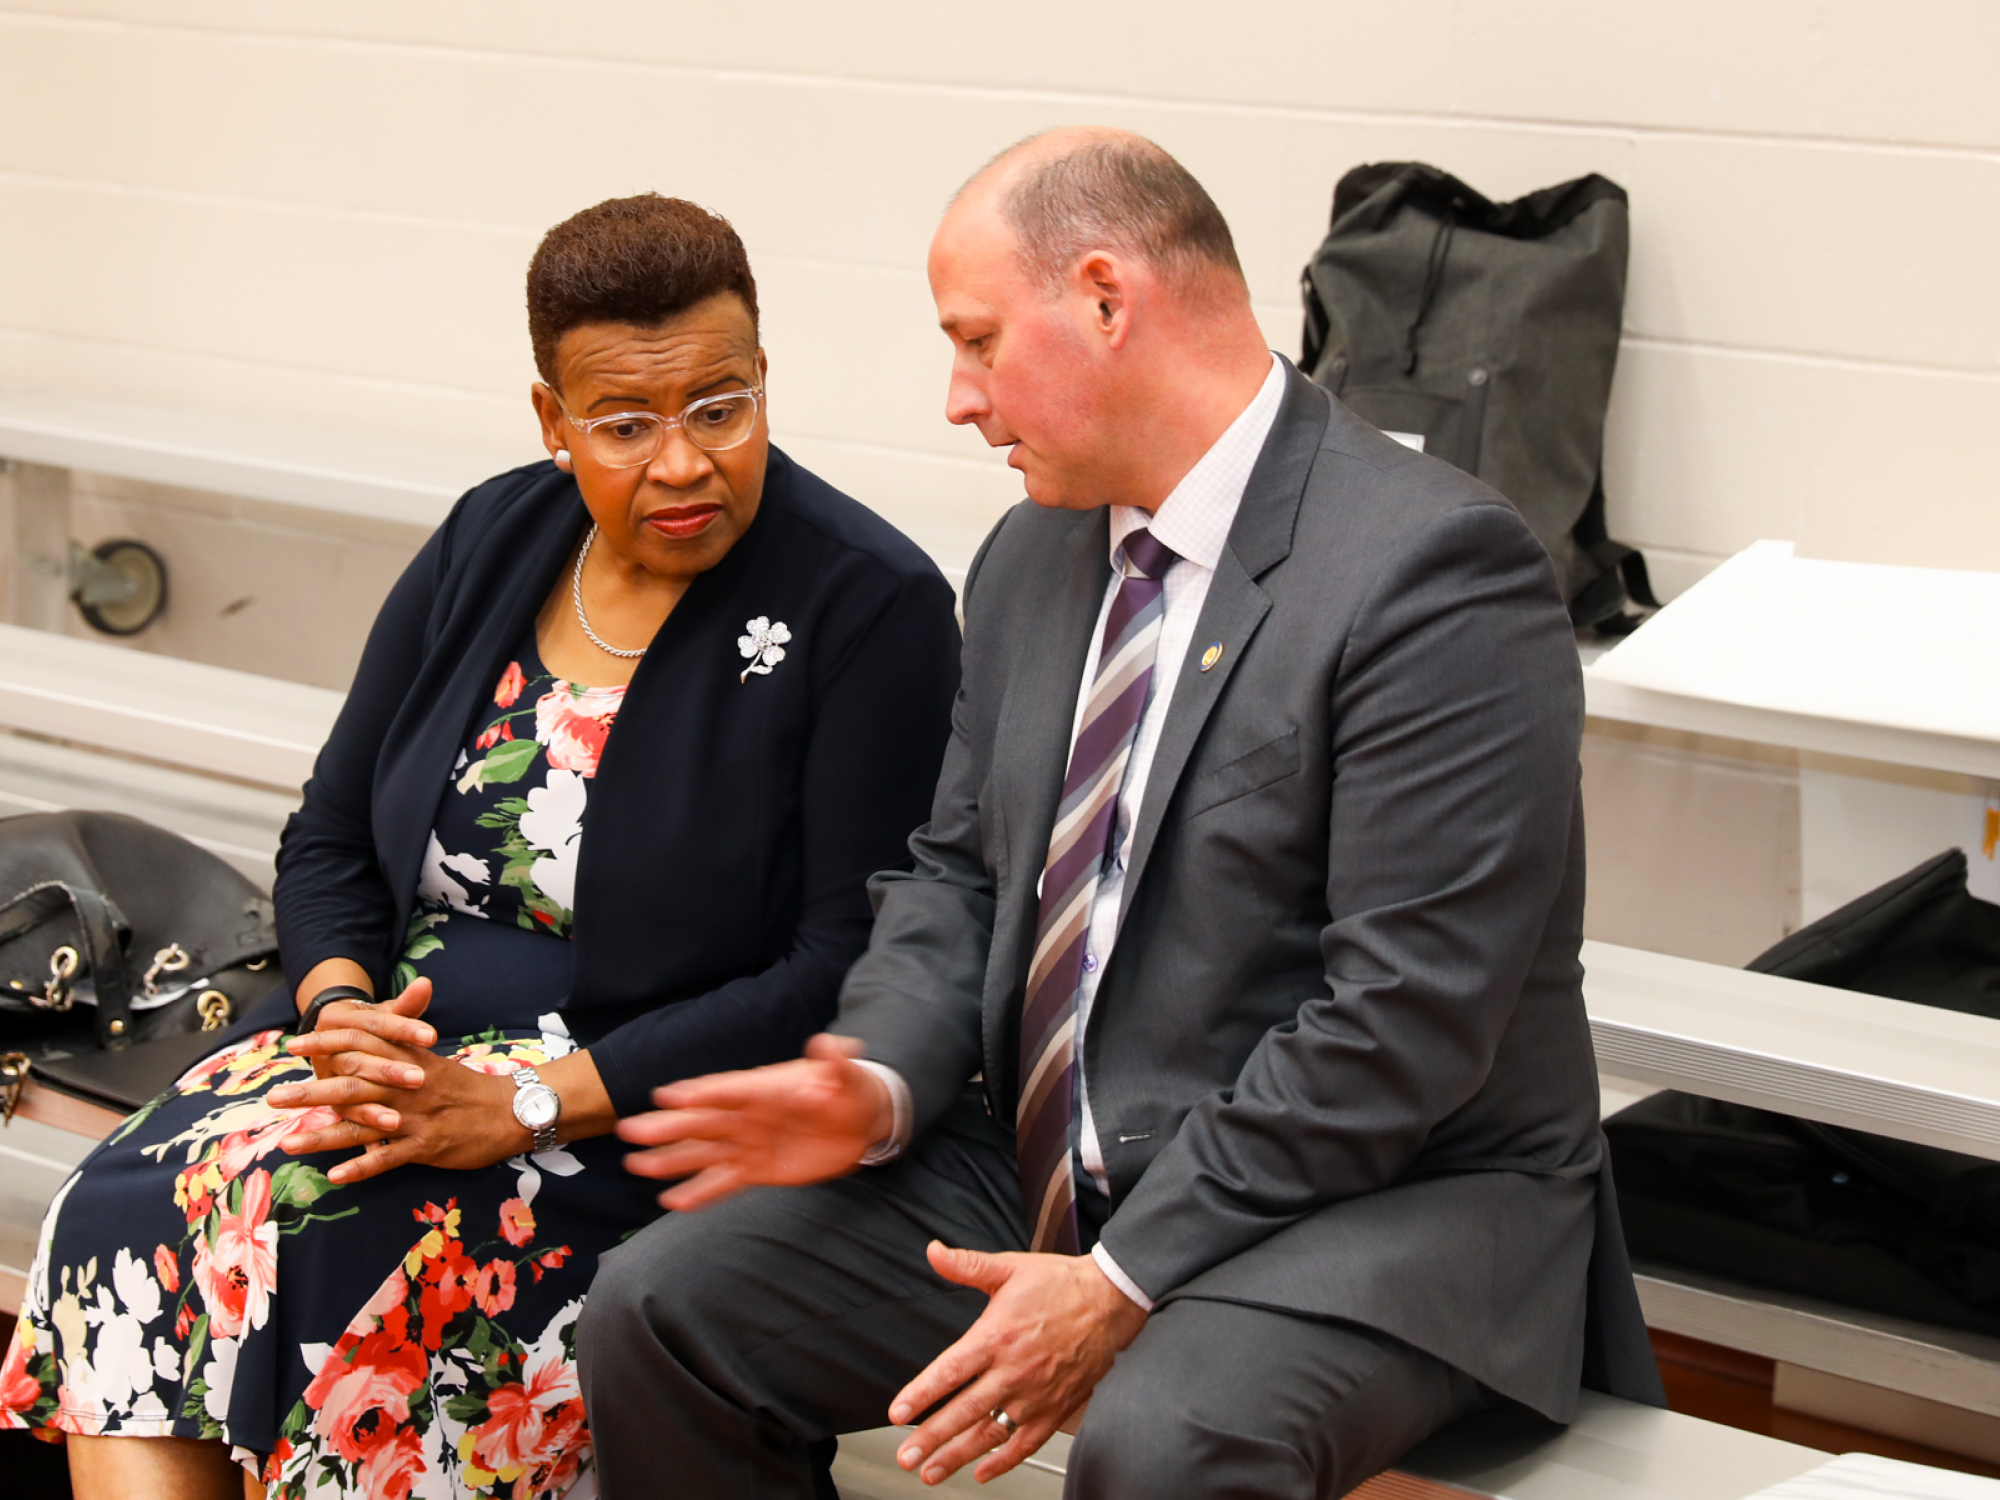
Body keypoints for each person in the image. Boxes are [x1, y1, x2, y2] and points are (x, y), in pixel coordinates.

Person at [578, 130, 1664, 1499]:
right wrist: (874, 1074)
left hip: (1380, 1194)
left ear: (1105, 298)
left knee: (1166, 1440)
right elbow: (958, 876)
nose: (959, 399)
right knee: (663, 1307)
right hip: (1066, 1163)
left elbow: (1404, 1021)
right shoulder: (1035, 554)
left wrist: (1120, 1275)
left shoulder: (1432, 571)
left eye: (976, 341)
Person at [0, 193, 960, 1500]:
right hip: (392, 1060)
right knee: (123, 1213)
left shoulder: (866, 603)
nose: (682, 462)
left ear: (762, 382)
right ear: (553, 425)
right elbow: (334, 832)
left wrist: (515, 1104)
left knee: (322, 1248)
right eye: (625, 426)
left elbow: (840, 963)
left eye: (719, 407)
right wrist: (337, 1006)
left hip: (627, 1112)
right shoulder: (493, 539)